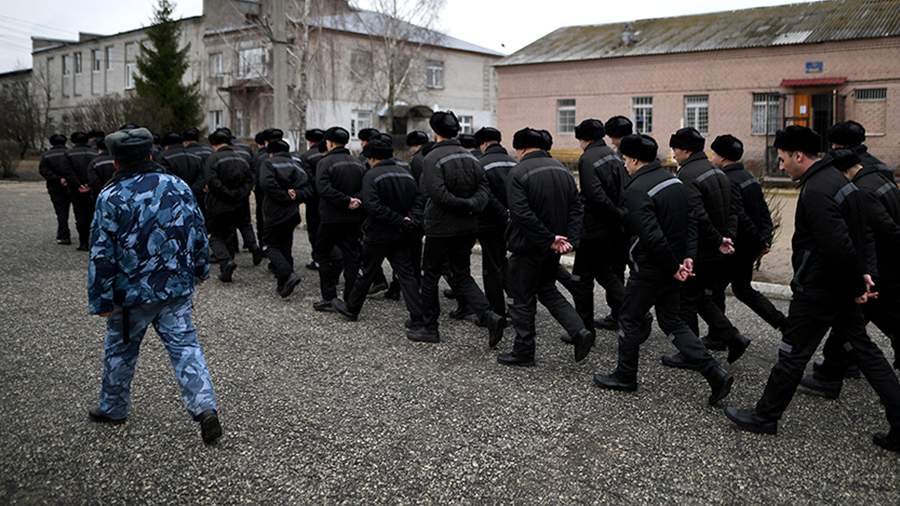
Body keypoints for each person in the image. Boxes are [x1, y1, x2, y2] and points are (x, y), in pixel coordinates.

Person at [725, 126, 900, 454]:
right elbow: (861, 234)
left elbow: (838, 245)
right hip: (837, 286)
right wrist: (862, 277)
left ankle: (765, 416)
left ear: (798, 155)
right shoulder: (838, 180)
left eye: (782, 159)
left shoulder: (817, 190)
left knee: (792, 354)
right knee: (867, 351)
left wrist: (855, 284)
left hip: (819, 290)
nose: (780, 166)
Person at [87, 127, 221, 445]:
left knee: (120, 351)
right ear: (150, 154)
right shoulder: (178, 185)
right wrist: (201, 268)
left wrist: (101, 299)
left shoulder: (111, 196)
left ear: (116, 161)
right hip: (175, 287)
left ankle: (113, 408)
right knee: (185, 347)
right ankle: (205, 408)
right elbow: (197, 230)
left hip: (130, 295)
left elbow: (102, 253)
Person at [592, 134, 734, 406]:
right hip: (673, 265)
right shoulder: (674, 181)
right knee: (671, 321)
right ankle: (714, 372)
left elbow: (651, 236)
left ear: (635, 160)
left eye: (625, 159)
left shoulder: (636, 189)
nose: (624, 165)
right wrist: (686, 259)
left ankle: (625, 375)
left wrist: (674, 266)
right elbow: (691, 222)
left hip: (651, 268)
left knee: (629, 318)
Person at [799, 149, 900, 400]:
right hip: (880, 270)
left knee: (866, 331)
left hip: (878, 273)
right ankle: (833, 373)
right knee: (851, 329)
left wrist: (864, 276)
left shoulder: (862, 191)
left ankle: (833, 375)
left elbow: (880, 231)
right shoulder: (880, 178)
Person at [496, 128, 592, 366]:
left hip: (528, 247)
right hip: (554, 247)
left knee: (522, 298)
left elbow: (521, 214)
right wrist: (569, 240)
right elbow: (576, 207)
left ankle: (523, 351)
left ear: (521, 148)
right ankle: (579, 331)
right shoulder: (562, 169)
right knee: (547, 290)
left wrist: (548, 238)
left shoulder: (518, 172)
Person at [412, 111, 505, 345]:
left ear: (435, 132)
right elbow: (484, 189)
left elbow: (437, 194)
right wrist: (472, 205)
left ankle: (429, 327)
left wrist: (463, 204)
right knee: (462, 274)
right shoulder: (471, 157)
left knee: (430, 275)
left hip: (440, 226)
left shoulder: (432, 158)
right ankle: (489, 316)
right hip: (468, 226)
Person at [664, 127, 749, 367]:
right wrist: (726, 238)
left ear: (686, 150)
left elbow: (696, 215)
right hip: (716, 249)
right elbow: (733, 210)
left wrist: (717, 239)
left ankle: (691, 353)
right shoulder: (717, 171)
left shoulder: (687, 175)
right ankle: (732, 337)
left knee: (685, 300)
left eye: (675, 149)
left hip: (698, 249)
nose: (674, 154)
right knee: (700, 297)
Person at [332, 135, 425, 330]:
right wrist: (410, 220)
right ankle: (418, 317)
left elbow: (373, 206)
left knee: (366, 272)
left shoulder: (371, 175)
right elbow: (419, 200)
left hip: (378, 234)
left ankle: (352, 308)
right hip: (403, 233)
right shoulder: (406, 173)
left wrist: (398, 220)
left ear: (373, 158)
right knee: (406, 275)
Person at [706, 135, 786, 341]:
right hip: (750, 244)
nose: (712, 158)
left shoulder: (727, 180)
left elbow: (740, 216)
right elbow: (763, 212)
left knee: (715, 289)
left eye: (714, 154)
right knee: (742, 289)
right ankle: (784, 324)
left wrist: (759, 240)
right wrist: (765, 238)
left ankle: (719, 335)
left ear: (723, 157)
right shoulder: (748, 176)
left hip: (738, 245)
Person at [572, 118, 628, 333]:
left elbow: (593, 195)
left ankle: (584, 329)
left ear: (584, 139)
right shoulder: (614, 155)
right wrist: (620, 214)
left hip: (594, 227)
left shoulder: (588, 158)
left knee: (582, 278)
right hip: (616, 228)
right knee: (609, 273)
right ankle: (631, 313)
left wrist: (614, 212)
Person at [313, 126, 365, 312]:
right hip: (354, 218)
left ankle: (329, 297)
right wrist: (355, 200)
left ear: (330, 143)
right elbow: (365, 187)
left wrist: (345, 201)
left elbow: (323, 188)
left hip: (331, 218)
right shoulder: (358, 163)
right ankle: (350, 298)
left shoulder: (324, 162)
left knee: (322, 254)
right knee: (352, 256)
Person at [259, 138, 313, 297]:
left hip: (274, 212)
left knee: (269, 245)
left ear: (271, 152)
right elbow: (309, 189)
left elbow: (266, 184)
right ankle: (283, 284)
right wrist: (296, 195)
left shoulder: (268, 163)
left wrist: (285, 196)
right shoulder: (296, 164)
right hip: (291, 213)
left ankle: (288, 274)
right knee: (285, 247)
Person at [474, 126, 516, 318]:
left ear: (483, 144)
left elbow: (486, 195)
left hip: (489, 222)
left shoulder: (480, 164)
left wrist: (502, 212)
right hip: (513, 221)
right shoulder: (514, 162)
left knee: (491, 267)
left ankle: (496, 311)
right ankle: (516, 302)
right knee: (504, 262)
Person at [204, 128, 255, 282]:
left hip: (218, 204)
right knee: (229, 235)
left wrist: (226, 193)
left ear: (214, 144)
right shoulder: (241, 158)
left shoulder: (212, 159)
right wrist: (239, 194)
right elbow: (249, 180)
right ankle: (227, 268)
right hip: (237, 204)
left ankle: (226, 262)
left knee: (215, 236)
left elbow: (212, 181)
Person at [39, 134, 74, 245]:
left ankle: (64, 235)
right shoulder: (71, 153)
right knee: (80, 211)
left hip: (55, 186)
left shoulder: (47, 155)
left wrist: (57, 178)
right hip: (73, 185)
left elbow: (43, 170)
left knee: (61, 211)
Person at [66, 131, 99, 251]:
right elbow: (96, 171)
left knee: (79, 214)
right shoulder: (94, 153)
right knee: (92, 213)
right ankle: (93, 239)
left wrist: (78, 184)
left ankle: (83, 242)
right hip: (92, 188)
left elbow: (68, 172)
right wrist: (90, 184)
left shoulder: (68, 154)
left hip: (76, 189)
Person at [300, 128, 327, 270]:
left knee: (314, 229)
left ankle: (318, 258)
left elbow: (306, 178)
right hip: (329, 198)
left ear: (309, 141)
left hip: (313, 199)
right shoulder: (328, 154)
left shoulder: (306, 156)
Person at [158, 131, 206, 209]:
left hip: (173, 201)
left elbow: (165, 178)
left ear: (166, 145)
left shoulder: (164, 157)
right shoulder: (195, 156)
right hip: (195, 199)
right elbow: (202, 177)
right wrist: (191, 191)